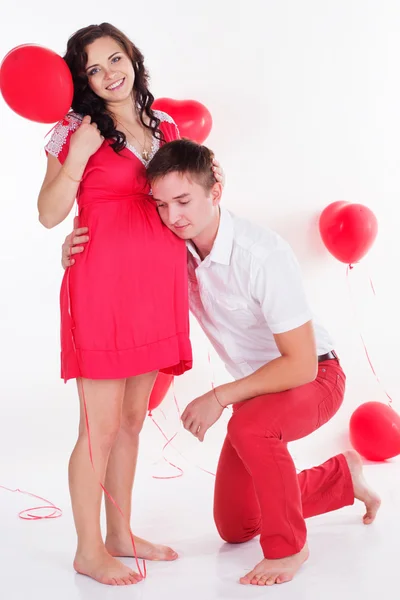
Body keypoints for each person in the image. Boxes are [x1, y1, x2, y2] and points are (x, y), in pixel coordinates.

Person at [62, 139, 381, 587]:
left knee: (249, 427)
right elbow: (125, 251)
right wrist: (73, 249)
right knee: (236, 526)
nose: (173, 216)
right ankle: (341, 477)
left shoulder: (262, 254)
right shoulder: (177, 248)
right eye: (162, 204)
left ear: (216, 191)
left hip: (315, 377)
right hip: (258, 391)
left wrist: (218, 396)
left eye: (184, 200)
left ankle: (290, 547)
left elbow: (302, 366)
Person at [37, 23, 223, 586]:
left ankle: (119, 533)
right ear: (83, 80)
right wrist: (79, 158)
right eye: (94, 68)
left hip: (157, 285)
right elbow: (49, 213)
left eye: (115, 59)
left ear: (133, 59)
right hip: (104, 285)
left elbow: (191, 199)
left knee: (131, 421)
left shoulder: (164, 126)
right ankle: (88, 550)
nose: (109, 73)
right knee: (98, 426)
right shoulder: (74, 129)